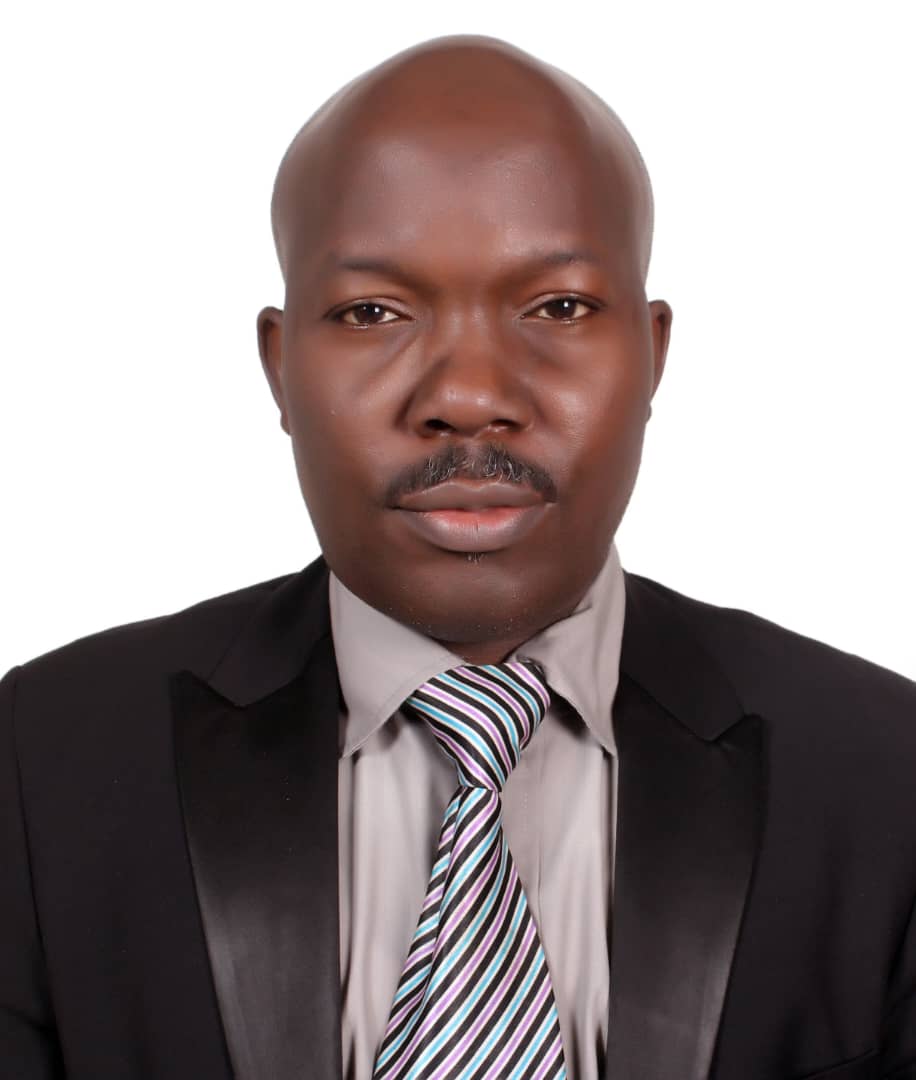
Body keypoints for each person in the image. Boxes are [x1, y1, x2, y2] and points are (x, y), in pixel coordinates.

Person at [1, 33, 913, 1080]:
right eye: (373, 312)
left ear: (654, 353)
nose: (469, 396)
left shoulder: (886, 776)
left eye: (559, 307)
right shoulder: (41, 765)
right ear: (280, 368)